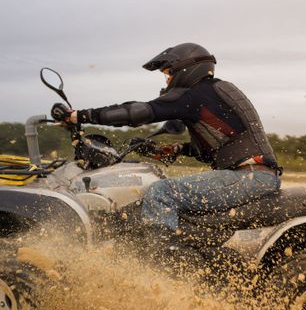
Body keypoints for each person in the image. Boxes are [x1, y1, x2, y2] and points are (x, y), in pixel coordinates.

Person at [51, 43, 281, 242]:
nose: (168, 79)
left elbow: (139, 112)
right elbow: (220, 147)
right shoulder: (214, 92)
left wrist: (80, 115)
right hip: (254, 175)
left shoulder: (195, 94)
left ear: (186, 69)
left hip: (248, 177)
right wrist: (175, 149)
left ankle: (162, 260)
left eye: (168, 72)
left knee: (162, 192)